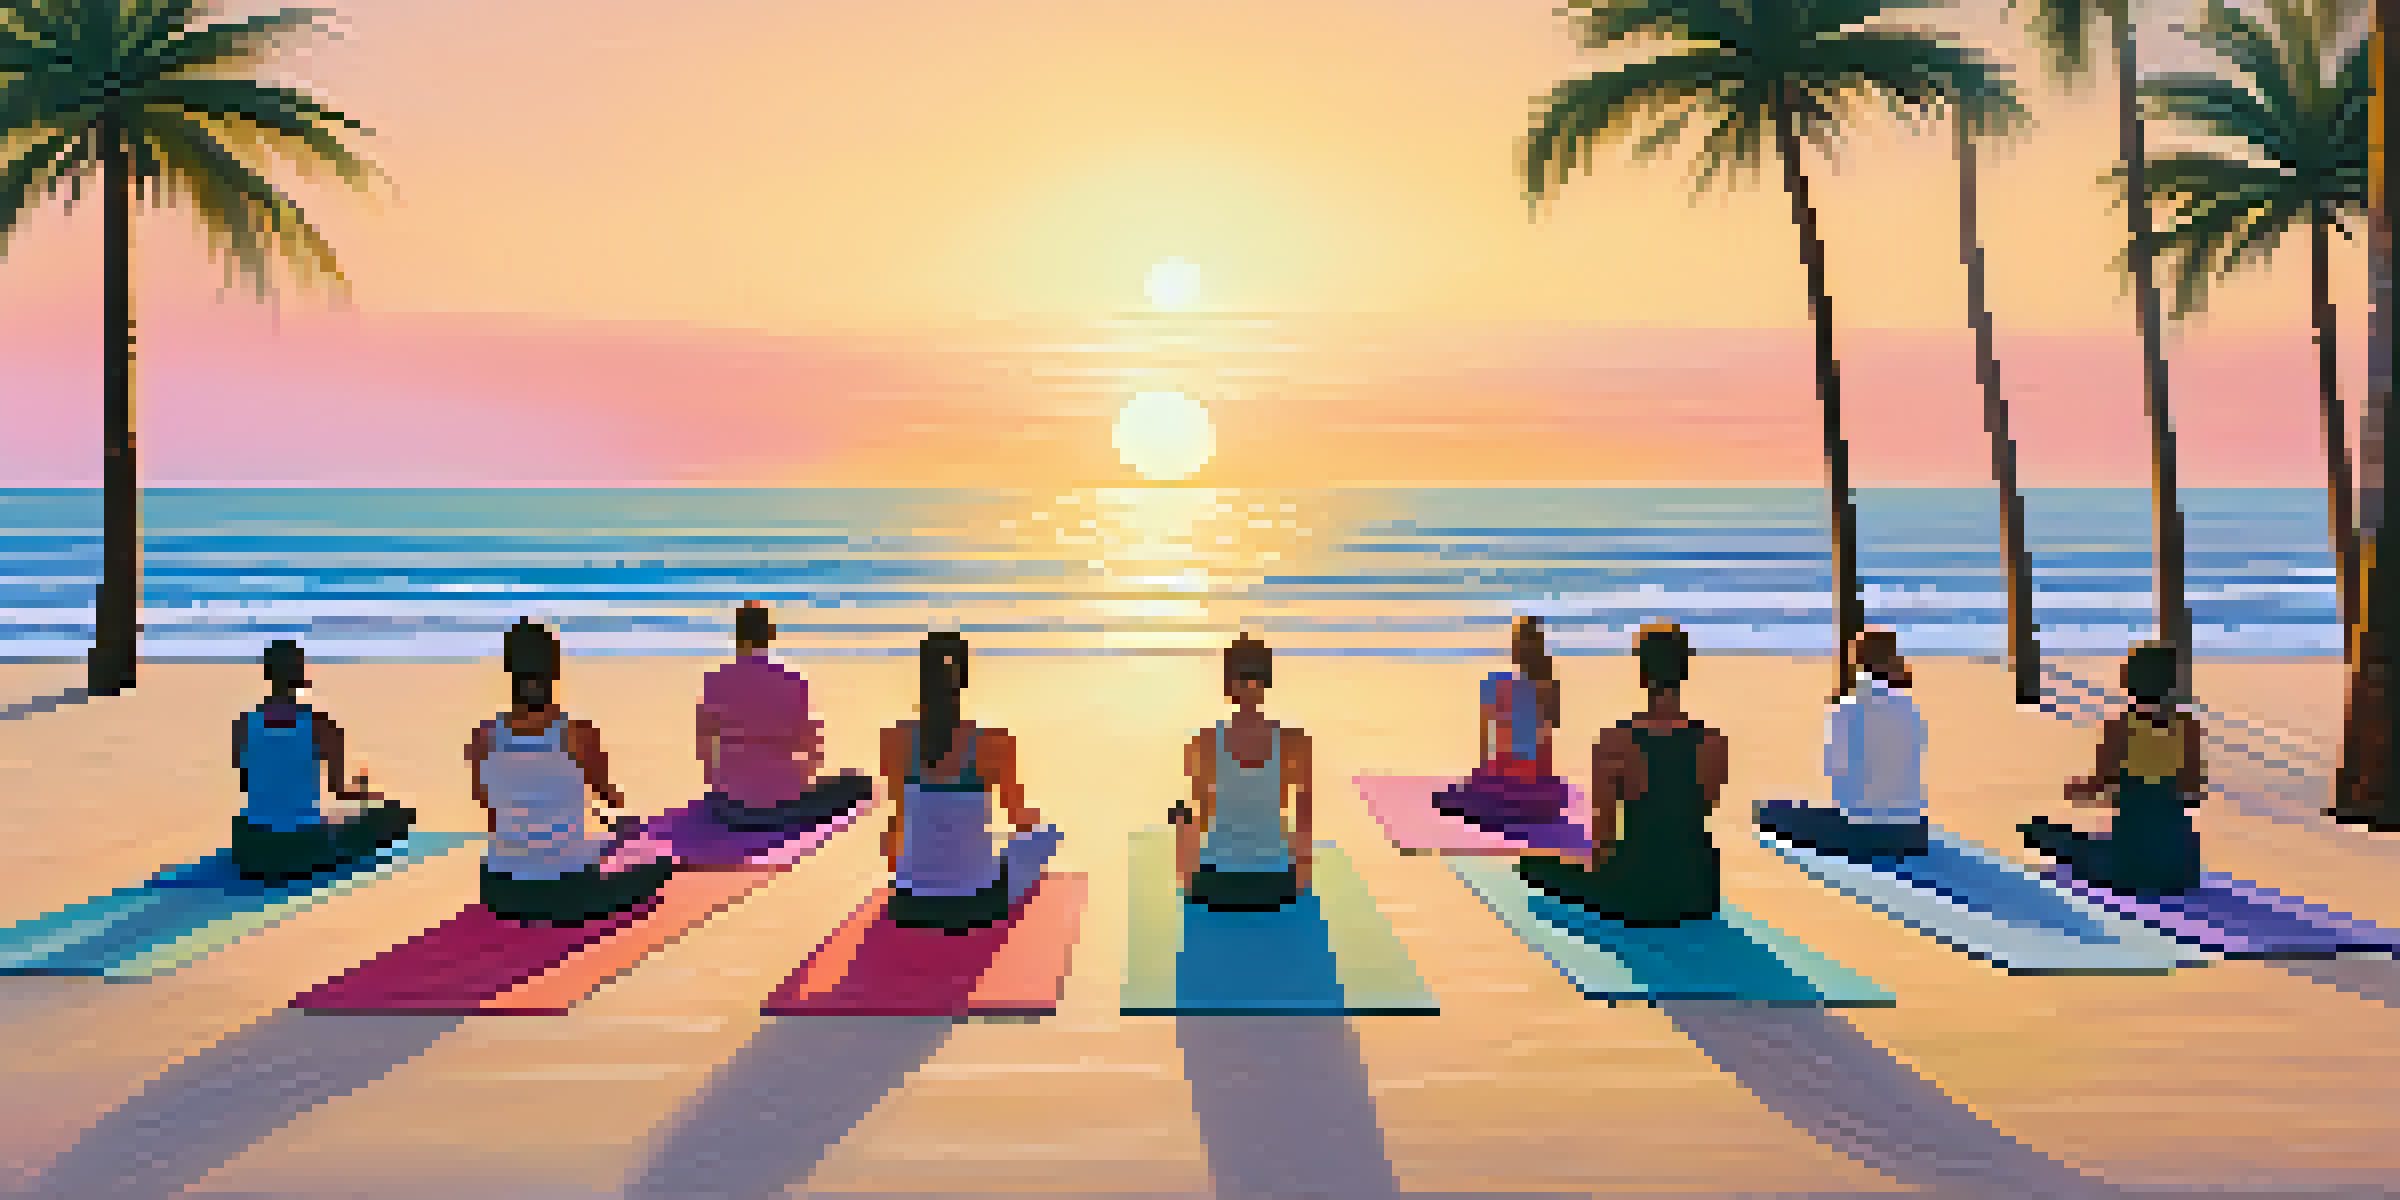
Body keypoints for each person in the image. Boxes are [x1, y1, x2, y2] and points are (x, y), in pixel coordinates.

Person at [1516, 621, 1727, 926]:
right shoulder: (1714, 742)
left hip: (1637, 892)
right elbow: (1698, 813)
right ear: (1684, 672)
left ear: (1643, 674)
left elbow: (1603, 841)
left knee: (1532, 865)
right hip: (1699, 890)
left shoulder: (1614, 742)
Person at [466, 619, 676, 924]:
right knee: (657, 862)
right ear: (555, 671)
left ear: (509, 672)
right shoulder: (578, 733)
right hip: (569, 889)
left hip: (501, 889)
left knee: (603, 844)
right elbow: (608, 796)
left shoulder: (483, 737)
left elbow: (487, 806)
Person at [877, 631, 1061, 933]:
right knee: (1045, 836)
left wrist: (901, 884)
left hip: (910, 903)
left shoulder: (895, 740)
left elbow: (897, 823)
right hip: (977, 903)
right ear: (962, 680)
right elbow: (1019, 819)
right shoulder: (994, 741)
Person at [2019, 641, 2204, 895]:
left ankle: (2039, 833)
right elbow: (2194, 790)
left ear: (2129, 681)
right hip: (2179, 866)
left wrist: (2074, 790)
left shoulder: (2120, 727)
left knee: (2072, 845)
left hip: (2132, 863)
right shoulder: (2188, 726)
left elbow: (2100, 782)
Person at [229, 640, 416, 884]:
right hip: (303, 845)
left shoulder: (244, 724)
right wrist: (363, 791)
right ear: (302, 675)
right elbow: (339, 790)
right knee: (392, 813)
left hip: (252, 846)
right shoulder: (321, 725)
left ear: (267, 673)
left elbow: (246, 782)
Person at [696, 601, 871, 832]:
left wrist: (723, 786)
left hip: (732, 808)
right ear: (770, 635)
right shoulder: (793, 680)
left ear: (737, 636)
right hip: (785, 806)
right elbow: (813, 749)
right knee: (855, 782)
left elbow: (705, 750)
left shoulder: (715, 681)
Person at [1757, 629, 1931, 858]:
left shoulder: (1847, 707)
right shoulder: (1909, 707)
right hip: (1912, 831)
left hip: (1863, 832)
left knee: (1770, 812)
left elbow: (1834, 771)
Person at [1174, 634, 1315, 911]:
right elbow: (1304, 819)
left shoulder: (1202, 742)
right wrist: (1300, 882)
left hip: (1216, 884)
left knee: (1181, 813)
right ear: (1267, 683)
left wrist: (1187, 880)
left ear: (1228, 685)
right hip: (1275, 885)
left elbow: (1198, 818)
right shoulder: (1295, 741)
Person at [1432, 616, 1583, 849]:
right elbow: (1552, 730)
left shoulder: (1498, 684)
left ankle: (1491, 800)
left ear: (1516, 649)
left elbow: (1487, 740)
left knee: (1461, 797)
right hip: (1540, 780)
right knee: (1539, 798)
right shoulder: (1550, 685)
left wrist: (1483, 772)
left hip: (1508, 775)